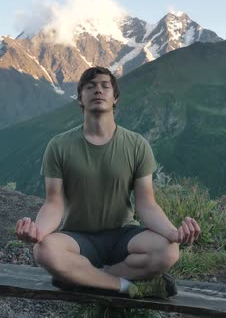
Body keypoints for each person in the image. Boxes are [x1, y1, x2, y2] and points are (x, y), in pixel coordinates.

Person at [15, 66, 200, 299]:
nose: (98, 91)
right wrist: (38, 232)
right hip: (78, 237)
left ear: (115, 98)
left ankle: (81, 278)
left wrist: (172, 232)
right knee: (43, 251)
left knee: (169, 252)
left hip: (124, 235)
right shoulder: (59, 145)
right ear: (80, 99)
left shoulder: (136, 145)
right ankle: (126, 286)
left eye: (105, 86)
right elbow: (54, 203)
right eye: (90, 87)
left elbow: (147, 204)